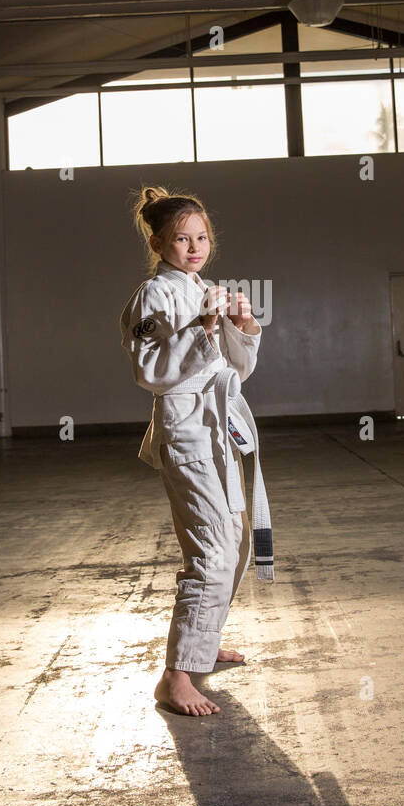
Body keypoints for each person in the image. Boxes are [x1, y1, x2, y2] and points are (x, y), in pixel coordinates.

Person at [119, 185, 275, 716]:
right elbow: (152, 371)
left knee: (235, 544)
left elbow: (232, 369)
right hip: (186, 434)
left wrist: (243, 327)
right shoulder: (153, 296)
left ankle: (201, 645)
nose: (194, 246)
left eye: (201, 237)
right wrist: (204, 328)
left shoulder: (203, 288)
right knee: (210, 550)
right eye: (181, 239)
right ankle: (176, 677)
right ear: (158, 243)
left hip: (221, 430)